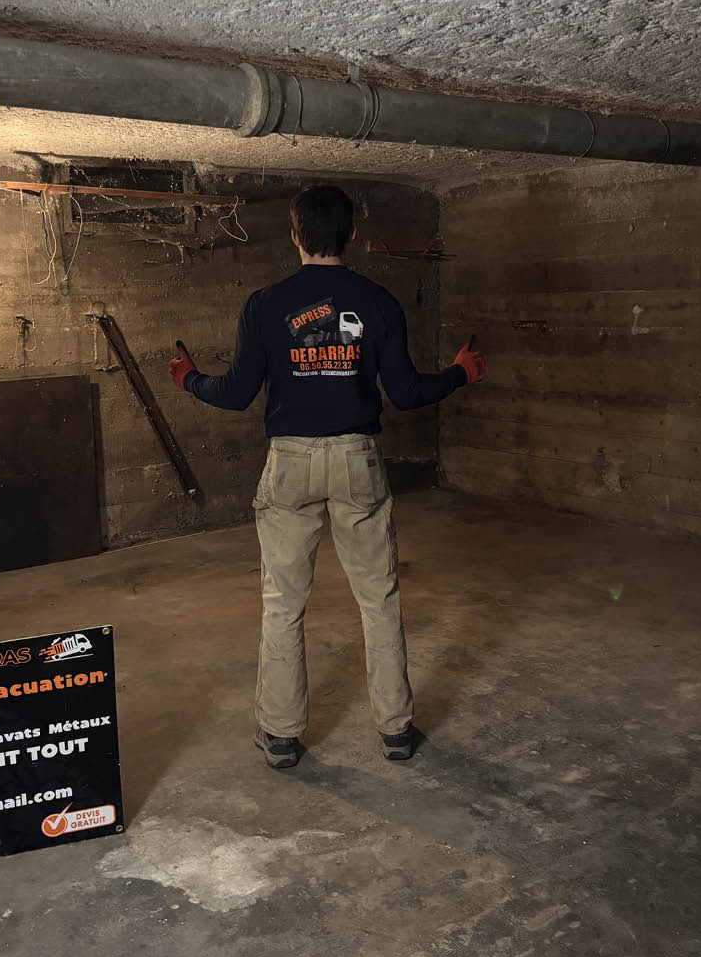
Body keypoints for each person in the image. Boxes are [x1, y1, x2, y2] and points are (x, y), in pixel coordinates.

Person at [168, 184, 485, 769]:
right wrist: (461, 374)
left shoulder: (265, 305)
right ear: (352, 236)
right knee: (380, 599)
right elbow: (410, 391)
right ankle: (395, 731)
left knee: (283, 605)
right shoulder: (379, 302)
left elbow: (237, 394)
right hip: (357, 459)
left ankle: (282, 736)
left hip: (290, 464)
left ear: (295, 236)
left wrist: (188, 377)